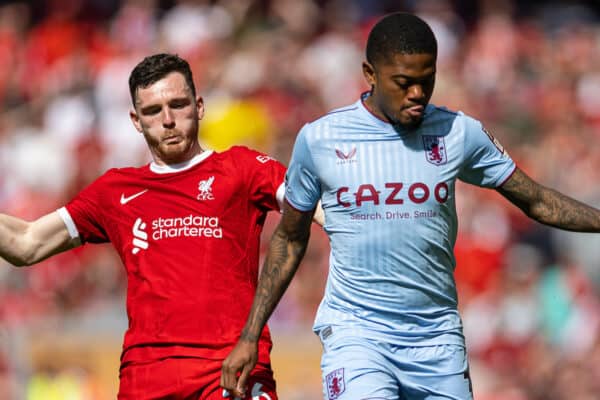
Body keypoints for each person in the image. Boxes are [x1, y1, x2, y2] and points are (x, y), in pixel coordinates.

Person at [221, 12, 600, 400]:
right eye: (403, 83)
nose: (417, 93)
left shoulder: (458, 132)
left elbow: (535, 200)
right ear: (370, 73)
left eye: (426, 79)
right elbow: (290, 238)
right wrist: (250, 335)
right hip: (358, 334)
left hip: (437, 338)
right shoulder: (320, 139)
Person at [0, 53, 322, 399]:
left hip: (232, 367)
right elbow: (27, 243)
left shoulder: (241, 168)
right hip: (148, 377)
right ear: (136, 121)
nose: (168, 120)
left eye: (178, 105)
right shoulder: (115, 190)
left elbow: (325, 211)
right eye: (153, 111)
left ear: (199, 106)